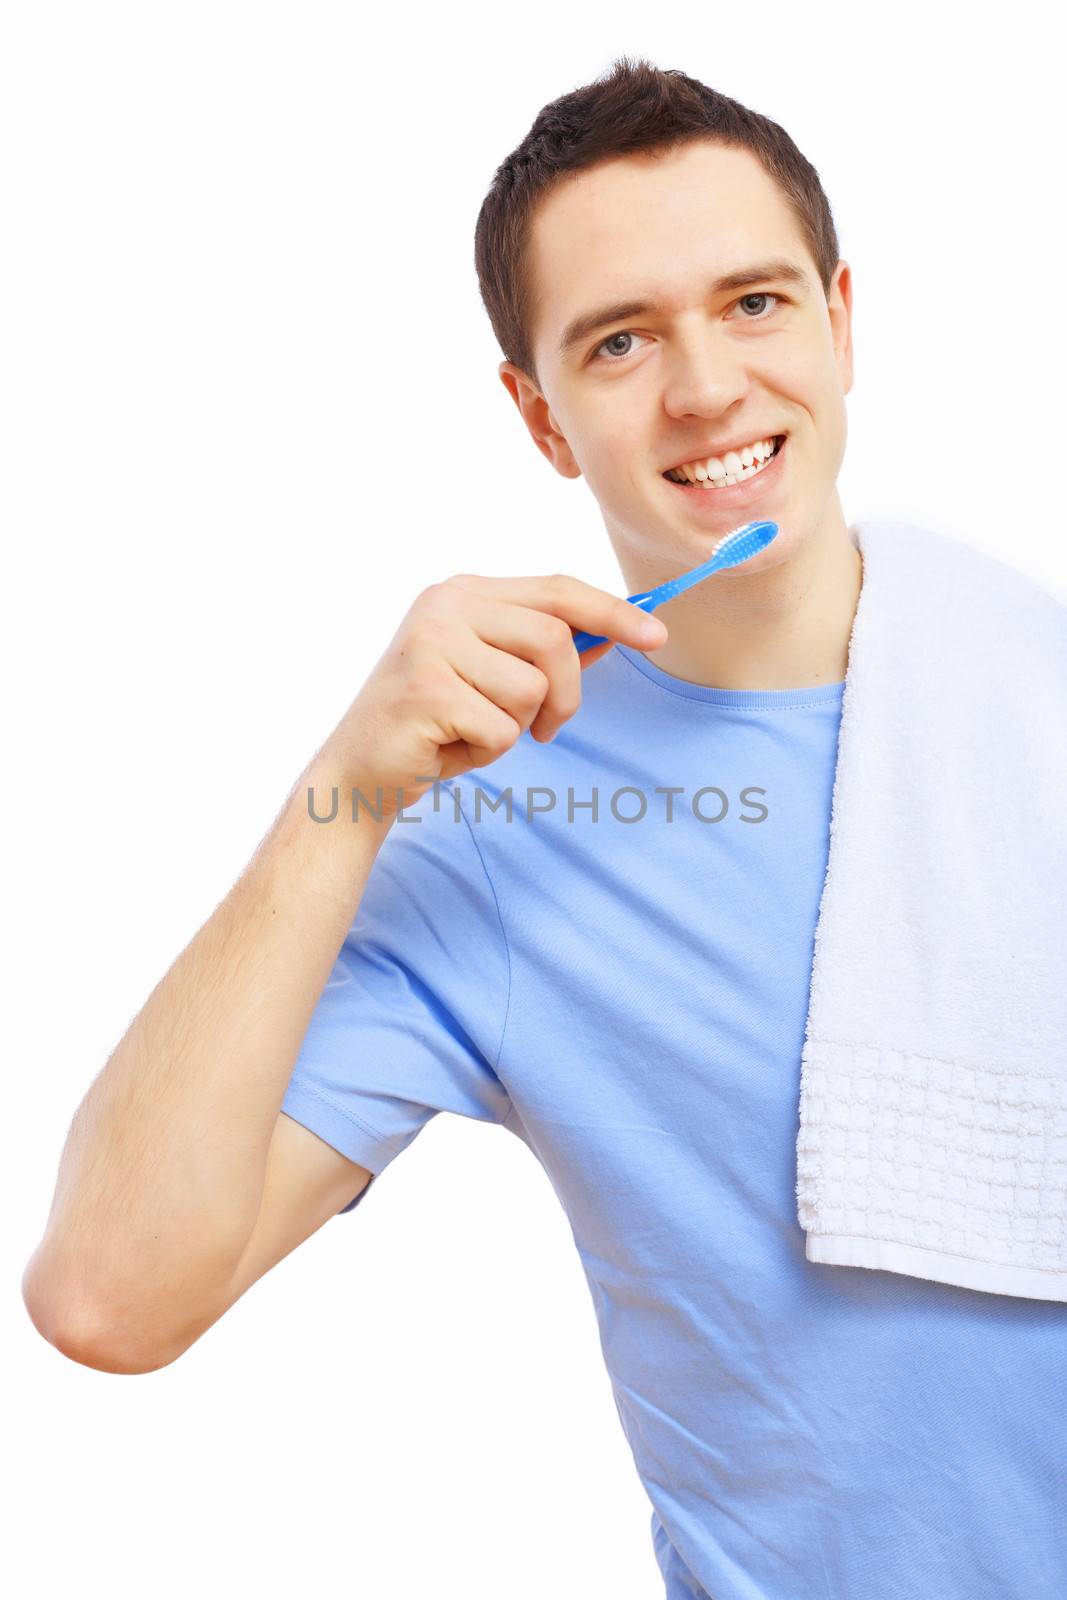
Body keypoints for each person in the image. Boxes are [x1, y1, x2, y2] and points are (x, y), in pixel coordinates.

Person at [23, 55, 1065, 1600]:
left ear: (843, 322)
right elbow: (110, 1299)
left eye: (756, 304)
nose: (707, 387)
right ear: (540, 415)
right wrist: (348, 794)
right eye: (622, 339)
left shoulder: (1033, 689)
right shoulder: (497, 837)